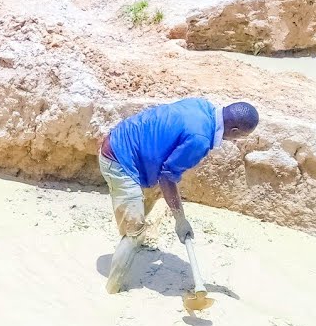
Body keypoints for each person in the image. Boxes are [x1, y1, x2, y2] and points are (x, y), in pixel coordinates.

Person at [99, 99, 259, 293]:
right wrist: (180, 220)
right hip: (119, 160)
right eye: (240, 137)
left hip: (121, 140)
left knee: (147, 201)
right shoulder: (199, 138)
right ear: (234, 132)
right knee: (135, 234)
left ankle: (131, 241)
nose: (236, 140)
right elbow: (166, 177)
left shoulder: (203, 106)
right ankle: (111, 290)